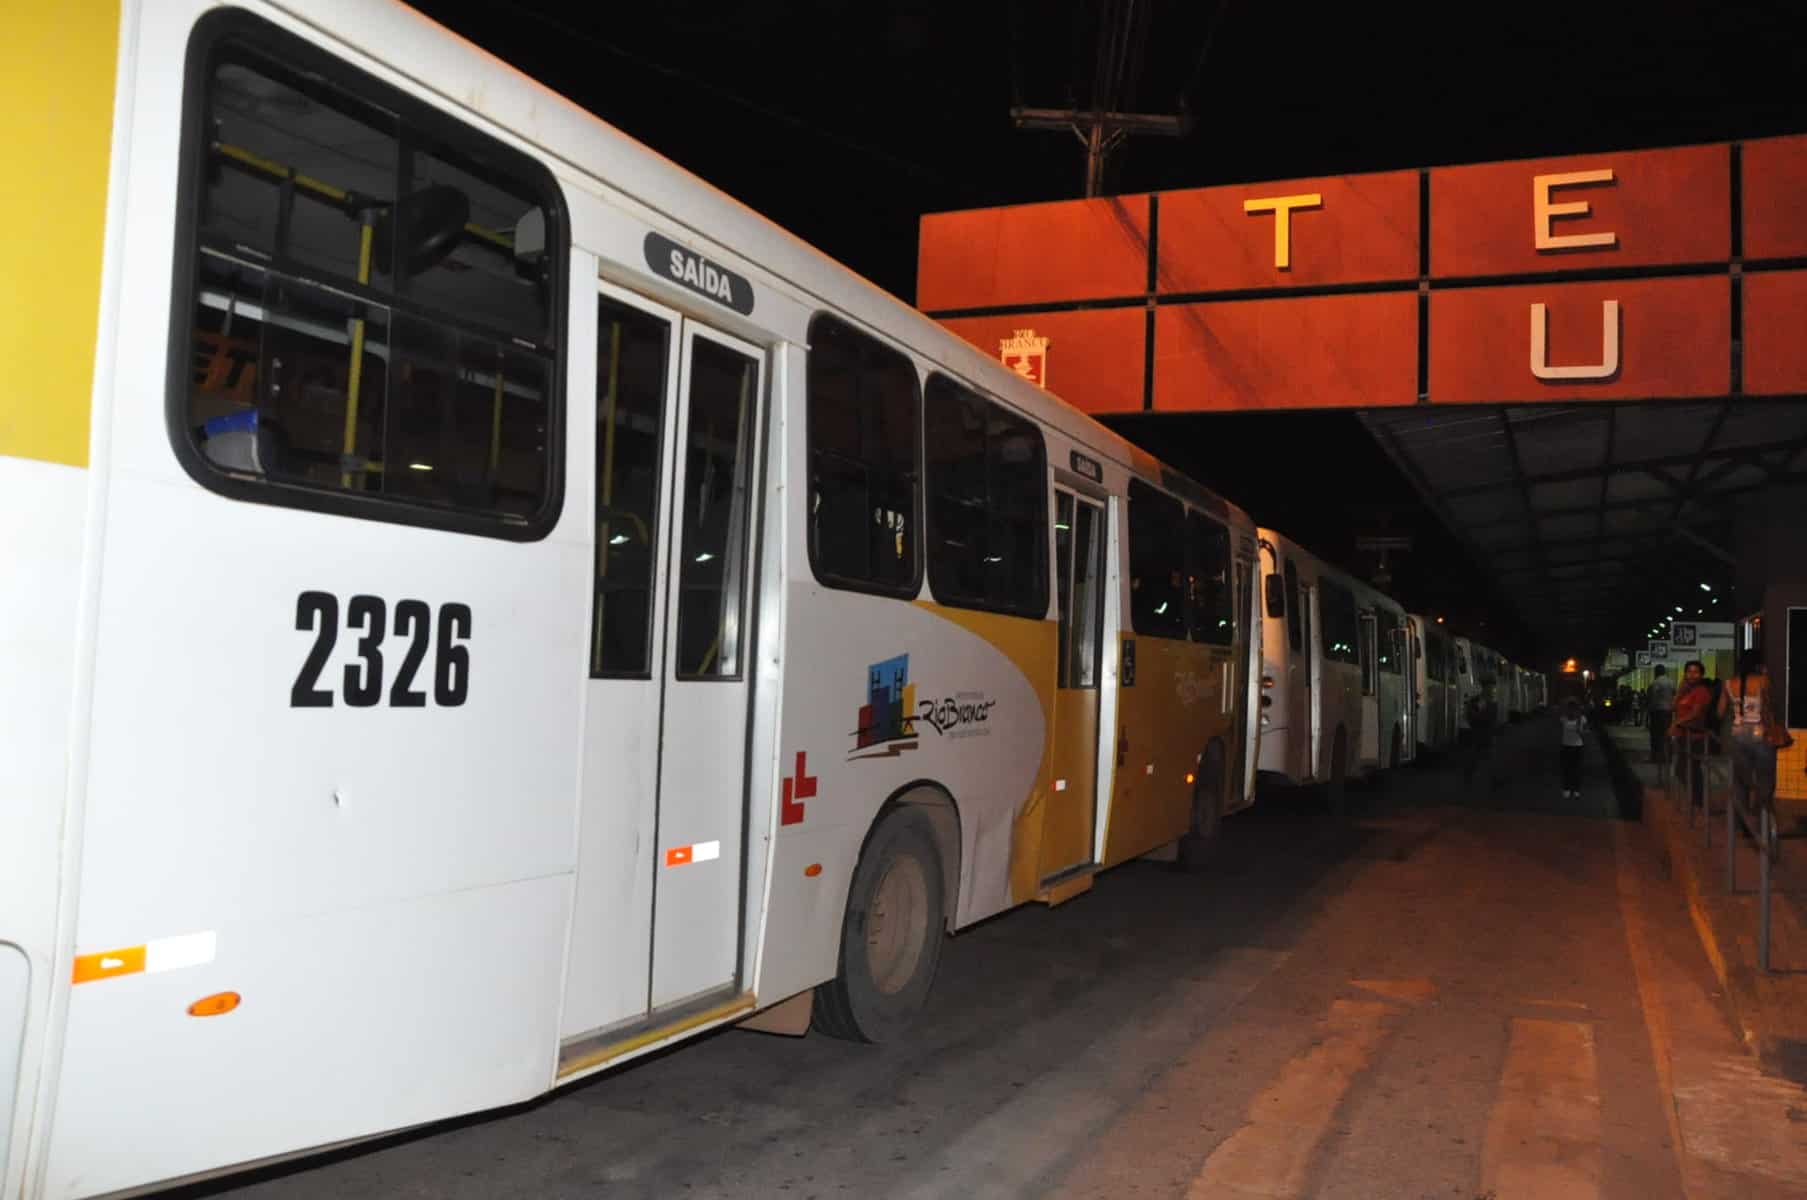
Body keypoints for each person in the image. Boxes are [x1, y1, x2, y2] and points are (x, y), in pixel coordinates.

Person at [1718, 650, 1792, 824]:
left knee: (1740, 779)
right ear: (1759, 664)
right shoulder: (1763, 681)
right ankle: (1762, 818)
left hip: (1737, 734)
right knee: (1765, 778)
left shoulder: (1728, 684)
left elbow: (1720, 711)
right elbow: (1771, 705)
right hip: (1760, 734)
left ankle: (1741, 821)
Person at [1671, 659, 1714, 812]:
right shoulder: (1686, 691)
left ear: (1702, 675)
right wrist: (1680, 690)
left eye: (1696, 672)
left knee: (1691, 769)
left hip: (1696, 736)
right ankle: (1697, 800)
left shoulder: (1702, 691)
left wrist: (1677, 723)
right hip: (1683, 735)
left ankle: (1699, 801)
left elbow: (1696, 712)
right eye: (1689, 672)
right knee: (1683, 769)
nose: (1692, 675)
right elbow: (1672, 706)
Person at [1464, 683, 1500, 790]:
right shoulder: (1483, 700)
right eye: (1490, 687)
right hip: (1482, 732)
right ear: (1486, 688)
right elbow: (1478, 714)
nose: (1491, 689)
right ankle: (1470, 776)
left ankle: (1489, 778)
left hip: (1483, 731)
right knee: (1479, 755)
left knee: (1482, 755)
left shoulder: (1484, 700)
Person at [1558, 698, 1587, 800]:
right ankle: (1567, 789)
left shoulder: (1582, 719)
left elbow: (1582, 734)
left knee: (1577, 769)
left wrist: (1579, 724)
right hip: (1566, 746)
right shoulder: (1564, 718)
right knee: (1567, 769)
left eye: (1574, 708)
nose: (1572, 710)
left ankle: (1576, 790)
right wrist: (1566, 703)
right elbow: (1561, 709)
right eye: (1570, 707)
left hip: (1577, 747)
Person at [1646, 665, 1676, 766]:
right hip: (1669, 711)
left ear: (1656, 672)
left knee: (1656, 734)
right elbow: (1675, 694)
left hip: (1657, 711)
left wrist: (1649, 710)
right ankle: (1669, 757)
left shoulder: (1655, 683)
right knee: (1667, 734)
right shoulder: (1671, 682)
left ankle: (1656, 756)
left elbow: (1652, 697)